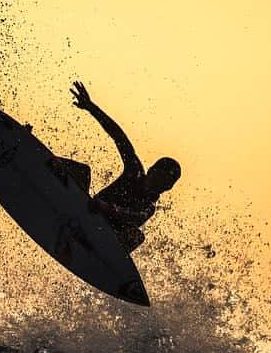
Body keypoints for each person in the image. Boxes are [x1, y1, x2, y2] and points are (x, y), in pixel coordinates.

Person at [48, 81, 181, 252]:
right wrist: (90, 107)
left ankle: (100, 260)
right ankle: (36, 158)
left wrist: (107, 208)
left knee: (137, 236)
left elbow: (132, 217)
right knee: (83, 171)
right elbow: (118, 136)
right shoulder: (135, 171)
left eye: (165, 184)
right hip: (85, 208)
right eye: (158, 178)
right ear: (151, 170)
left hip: (100, 234)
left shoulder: (148, 208)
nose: (159, 186)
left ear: (168, 188)